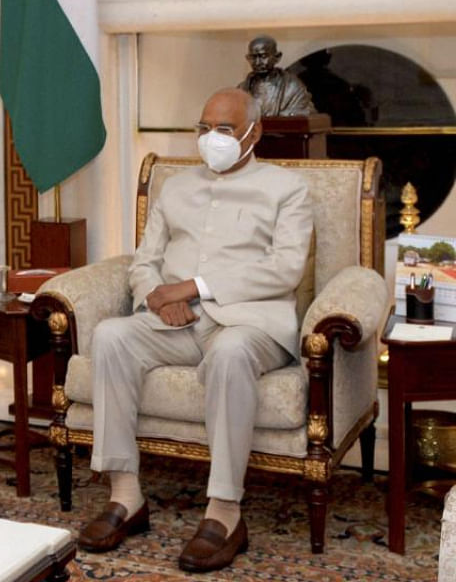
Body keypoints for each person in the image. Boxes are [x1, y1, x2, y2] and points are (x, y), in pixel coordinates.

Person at [77, 88, 313, 572]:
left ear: (254, 132)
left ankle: (224, 513)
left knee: (228, 352)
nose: (212, 139)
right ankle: (126, 496)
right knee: (111, 337)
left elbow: (285, 269)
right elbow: (145, 262)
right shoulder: (176, 187)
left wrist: (192, 287)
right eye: (204, 128)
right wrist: (156, 299)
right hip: (175, 322)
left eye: (224, 129)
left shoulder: (287, 189)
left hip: (251, 324)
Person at [237, 35, 316, 117]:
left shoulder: (291, 87)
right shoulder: (241, 89)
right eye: (253, 57)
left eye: (263, 56)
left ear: (277, 57)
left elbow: (306, 113)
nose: (258, 62)